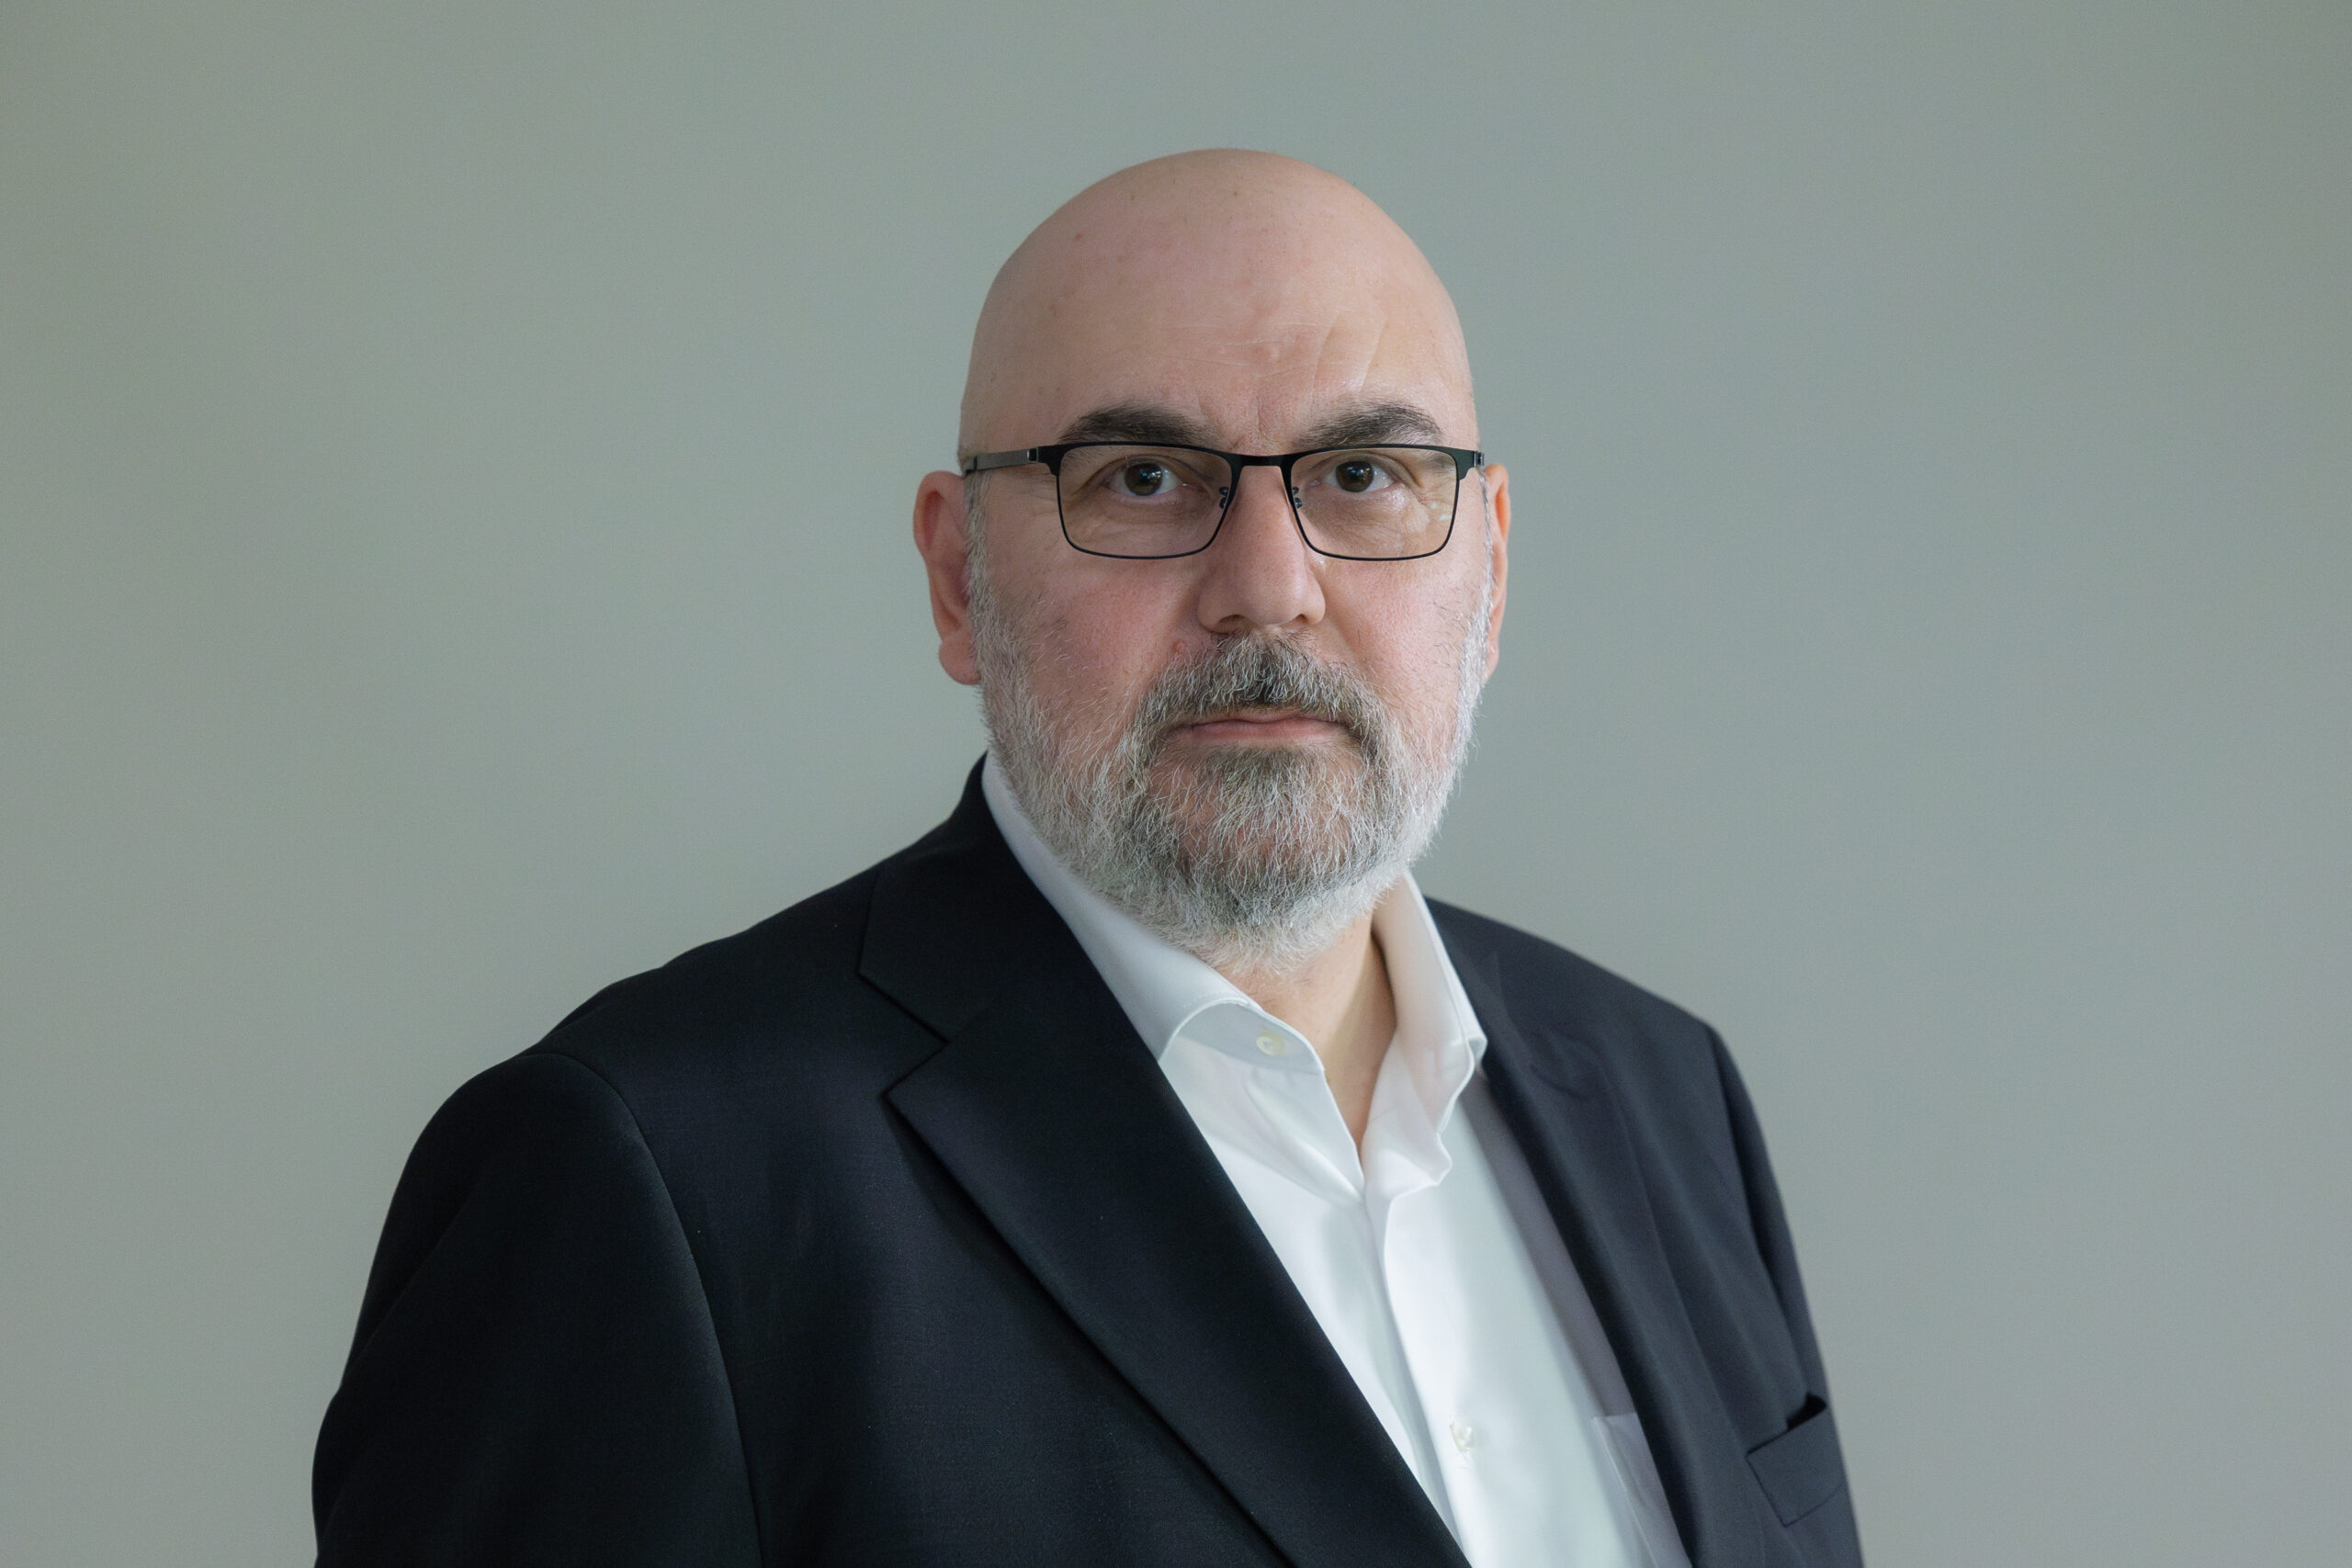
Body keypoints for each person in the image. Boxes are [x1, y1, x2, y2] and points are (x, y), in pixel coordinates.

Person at [312, 150, 1862, 1568]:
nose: (1269, 589)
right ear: (956, 577)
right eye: (1141, 478)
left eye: (1362, 477)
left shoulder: (1667, 1098)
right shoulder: (649, 1175)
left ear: (1493, 568)